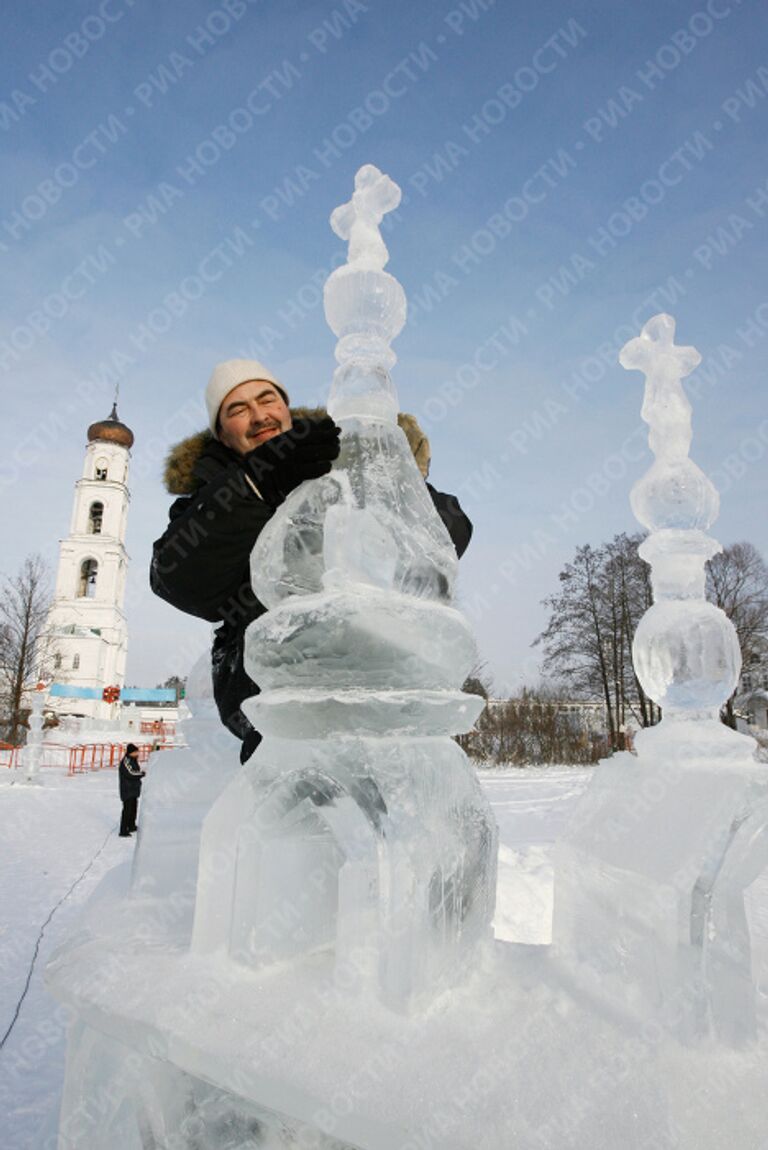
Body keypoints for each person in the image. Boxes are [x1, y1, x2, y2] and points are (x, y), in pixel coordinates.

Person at [150, 359, 472, 762]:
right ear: (222, 434)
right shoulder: (209, 497)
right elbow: (176, 576)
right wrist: (257, 483)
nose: (257, 415)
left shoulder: (339, 460)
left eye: (267, 399)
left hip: (382, 678)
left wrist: (395, 473)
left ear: (285, 407)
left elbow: (450, 534)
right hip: (277, 695)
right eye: (237, 409)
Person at [118, 743, 145, 837]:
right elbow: (131, 773)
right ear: (131, 752)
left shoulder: (133, 760)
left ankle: (131, 826)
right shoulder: (126, 761)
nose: (138, 753)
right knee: (127, 810)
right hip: (127, 790)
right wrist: (142, 774)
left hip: (133, 789)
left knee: (133, 809)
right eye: (136, 752)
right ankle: (123, 830)